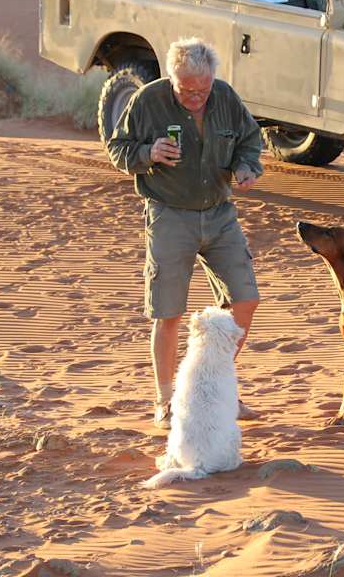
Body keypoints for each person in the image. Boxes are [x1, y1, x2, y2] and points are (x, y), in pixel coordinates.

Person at [107, 37, 263, 428]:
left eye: (203, 89)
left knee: (244, 299)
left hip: (219, 211)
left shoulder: (225, 97)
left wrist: (246, 167)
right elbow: (118, 148)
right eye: (186, 90)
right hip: (169, 214)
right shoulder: (147, 101)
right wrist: (148, 153)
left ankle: (214, 390)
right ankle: (166, 402)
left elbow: (250, 140)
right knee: (169, 312)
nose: (195, 97)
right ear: (172, 79)